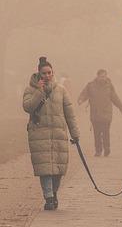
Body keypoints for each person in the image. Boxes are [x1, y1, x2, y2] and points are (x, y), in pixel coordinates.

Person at [23, 56, 80, 211]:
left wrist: (75, 133)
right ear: (39, 74)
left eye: (49, 73)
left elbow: (70, 113)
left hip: (58, 134)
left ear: (53, 73)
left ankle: (54, 193)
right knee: (45, 169)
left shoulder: (61, 90)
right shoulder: (30, 90)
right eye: (44, 73)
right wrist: (39, 92)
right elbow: (28, 107)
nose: (47, 76)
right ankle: (48, 197)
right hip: (39, 134)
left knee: (58, 170)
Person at [78, 69, 122, 157]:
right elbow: (84, 94)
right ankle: (98, 150)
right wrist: (80, 100)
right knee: (97, 133)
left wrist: (120, 106)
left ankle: (107, 149)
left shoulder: (109, 86)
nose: (103, 78)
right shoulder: (90, 86)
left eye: (104, 76)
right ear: (97, 76)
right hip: (95, 114)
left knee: (106, 132)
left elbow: (114, 97)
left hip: (106, 113)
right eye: (101, 76)